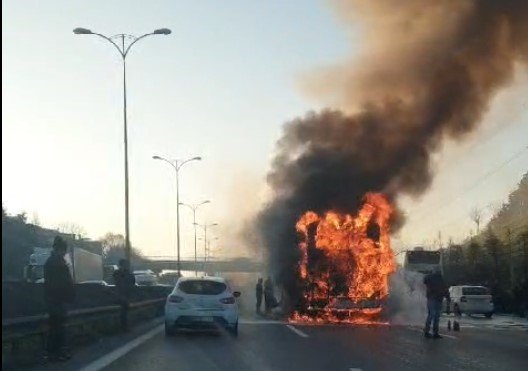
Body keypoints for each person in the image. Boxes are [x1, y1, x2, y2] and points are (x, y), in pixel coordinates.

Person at [44, 236, 75, 362]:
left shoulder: (52, 262)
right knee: (58, 327)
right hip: (57, 299)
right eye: (63, 250)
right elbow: (63, 282)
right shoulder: (57, 263)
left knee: (57, 327)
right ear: (59, 249)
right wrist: (69, 294)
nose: (64, 253)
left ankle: (55, 352)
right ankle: (56, 352)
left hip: (54, 299)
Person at [423, 267, 449, 339]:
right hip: (433, 299)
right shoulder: (431, 278)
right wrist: (447, 297)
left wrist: (448, 297)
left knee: (436, 316)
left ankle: (434, 332)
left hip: (437, 299)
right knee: (432, 315)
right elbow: (425, 281)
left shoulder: (441, 279)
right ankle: (428, 331)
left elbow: (445, 289)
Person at [113, 259, 135, 331]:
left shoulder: (117, 273)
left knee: (125, 311)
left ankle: (124, 327)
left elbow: (131, 284)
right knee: (125, 310)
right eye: (125, 264)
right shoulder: (127, 274)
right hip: (122, 296)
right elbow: (132, 284)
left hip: (122, 295)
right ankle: (124, 327)